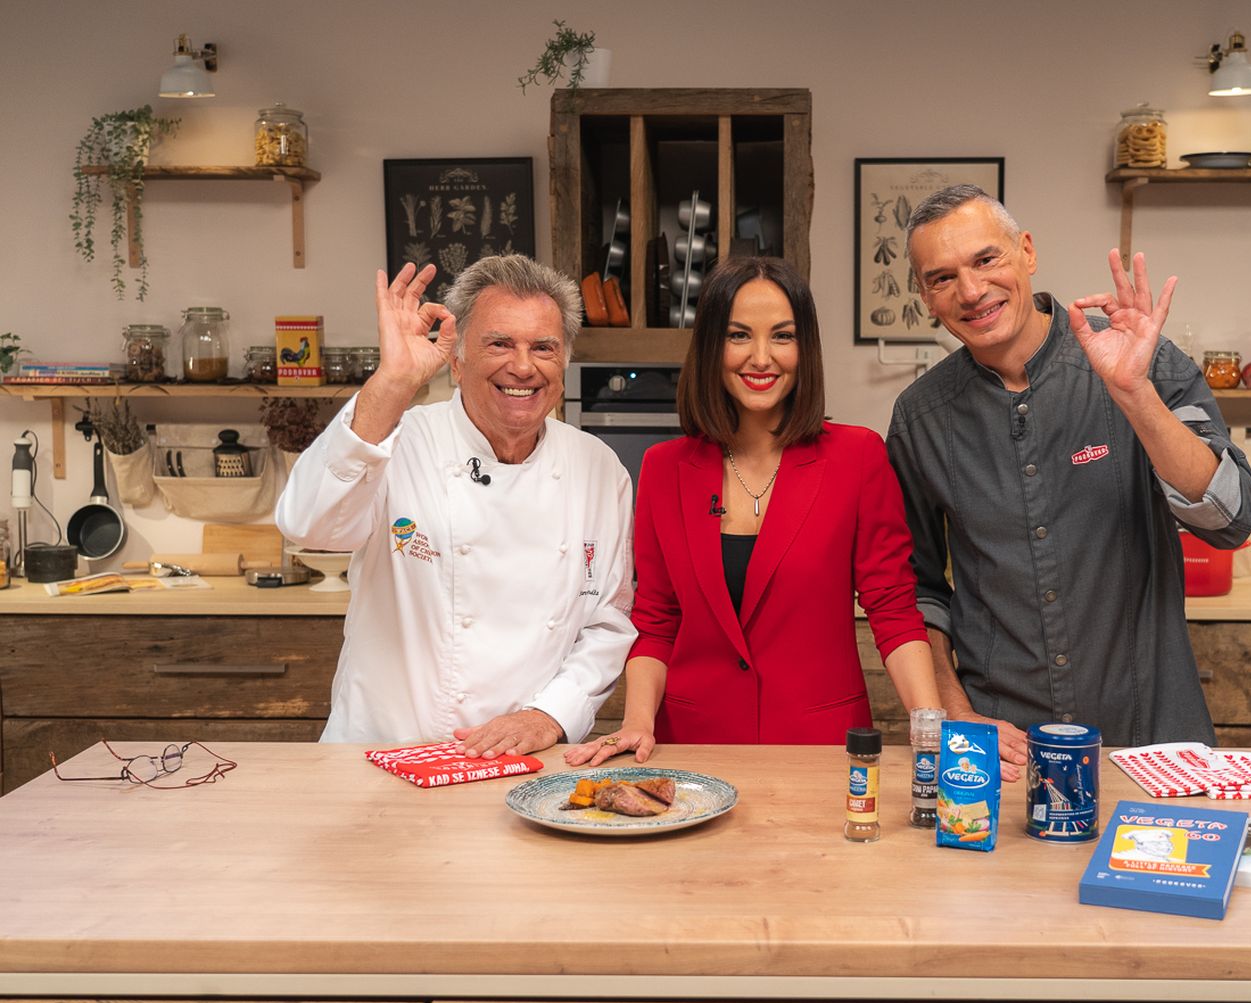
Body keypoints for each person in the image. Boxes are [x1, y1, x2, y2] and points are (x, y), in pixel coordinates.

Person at [886, 185, 1251, 778]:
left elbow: (1231, 520)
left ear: (1027, 251)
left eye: (986, 259)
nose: (972, 291)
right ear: (926, 296)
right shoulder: (921, 418)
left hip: (1152, 741)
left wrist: (1135, 396)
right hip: (1004, 754)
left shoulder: (1142, 360)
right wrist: (955, 714)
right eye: (942, 278)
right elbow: (915, 589)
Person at [566, 257, 941, 766]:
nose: (761, 358)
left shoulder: (858, 457)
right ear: (711, 346)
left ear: (805, 348)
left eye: (782, 336)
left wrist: (933, 732)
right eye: (738, 335)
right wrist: (636, 722)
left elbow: (892, 609)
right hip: (692, 750)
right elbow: (657, 619)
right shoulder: (663, 468)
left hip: (823, 749)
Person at [275, 255, 636, 757]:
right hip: (381, 756)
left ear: (564, 363)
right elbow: (307, 525)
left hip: (520, 764)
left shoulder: (598, 467)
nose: (523, 367)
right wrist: (393, 382)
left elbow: (607, 623)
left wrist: (550, 714)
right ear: (457, 359)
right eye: (499, 344)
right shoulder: (397, 439)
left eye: (543, 347)